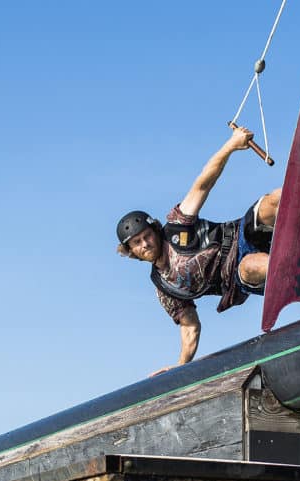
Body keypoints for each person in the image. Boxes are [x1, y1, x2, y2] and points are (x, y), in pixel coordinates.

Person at [116, 125, 281, 376]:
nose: (145, 244)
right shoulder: (165, 288)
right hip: (237, 276)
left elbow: (203, 184)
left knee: (272, 201)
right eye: (137, 243)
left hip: (241, 234)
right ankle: (299, 267)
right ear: (131, 251)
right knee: (253, 266)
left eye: (146, 236)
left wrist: (231, 146)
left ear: (155, 230)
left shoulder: (177, 225)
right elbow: (190, 328)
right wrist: (181, 369)